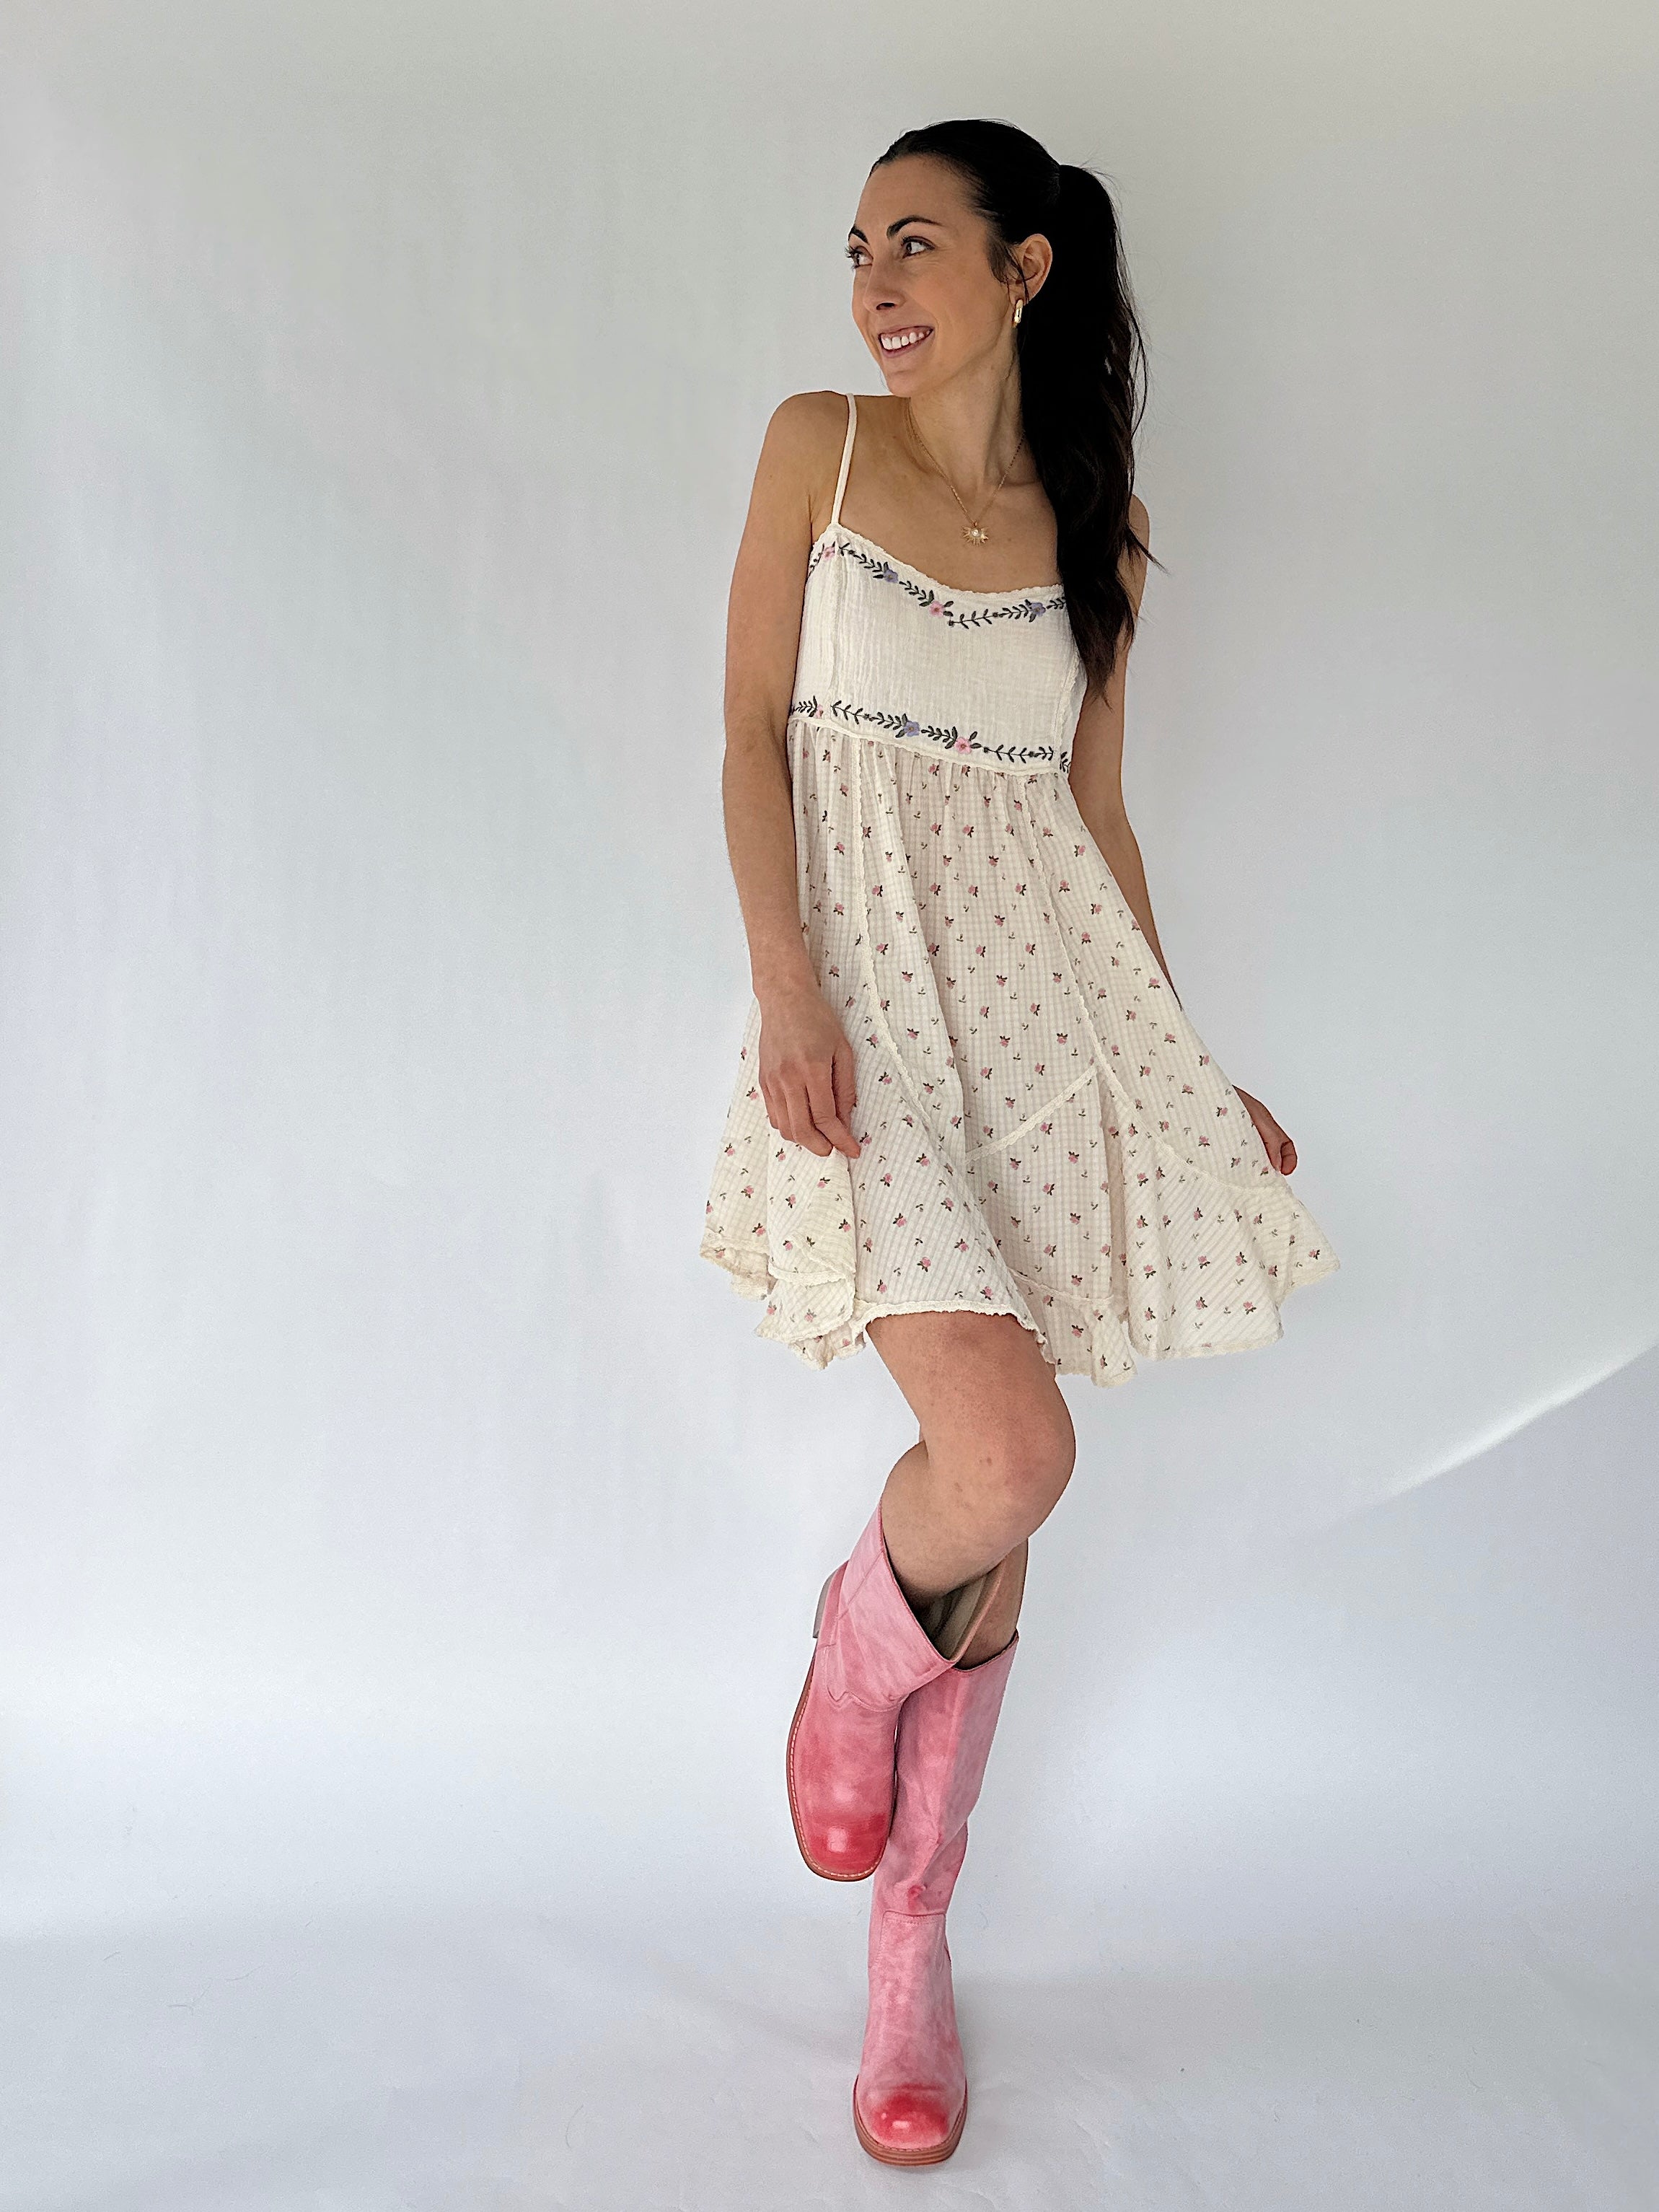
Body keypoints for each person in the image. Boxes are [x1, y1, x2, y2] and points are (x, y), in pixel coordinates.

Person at [700, 117, 1340, 2166]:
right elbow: (744, 732)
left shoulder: (1104, 533)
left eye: (917, 245)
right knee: (1004, 1451)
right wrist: (788, 991)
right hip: (868, 1012)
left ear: (1025, 270)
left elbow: (1095, 818)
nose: (874, 285)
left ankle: (912, 1949)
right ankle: (844, 1649)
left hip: (1046, 1024)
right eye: (857, 249)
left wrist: (1179, 1063)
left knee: (1008, 1489)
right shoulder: (816, 443)